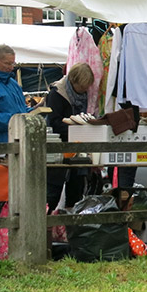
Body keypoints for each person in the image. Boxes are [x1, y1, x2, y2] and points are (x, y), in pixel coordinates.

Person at [45, 62, 95, 208]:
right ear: (73, 81)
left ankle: (70, 225)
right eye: (82, 86)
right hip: (59, 149)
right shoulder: (56, 94)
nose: (85, 90)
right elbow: (54, 123)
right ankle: (50, 224)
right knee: (53, 190)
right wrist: (78, 129)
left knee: (76, 188)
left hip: (79, 150)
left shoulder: (86, 97)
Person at [0, 44, 29, 144]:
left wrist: (35, 111)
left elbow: (21, 108)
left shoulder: (13, 83)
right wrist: (15, 119)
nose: (11, 68)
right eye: (7, 63)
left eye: (13, 64)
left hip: (19, 141)